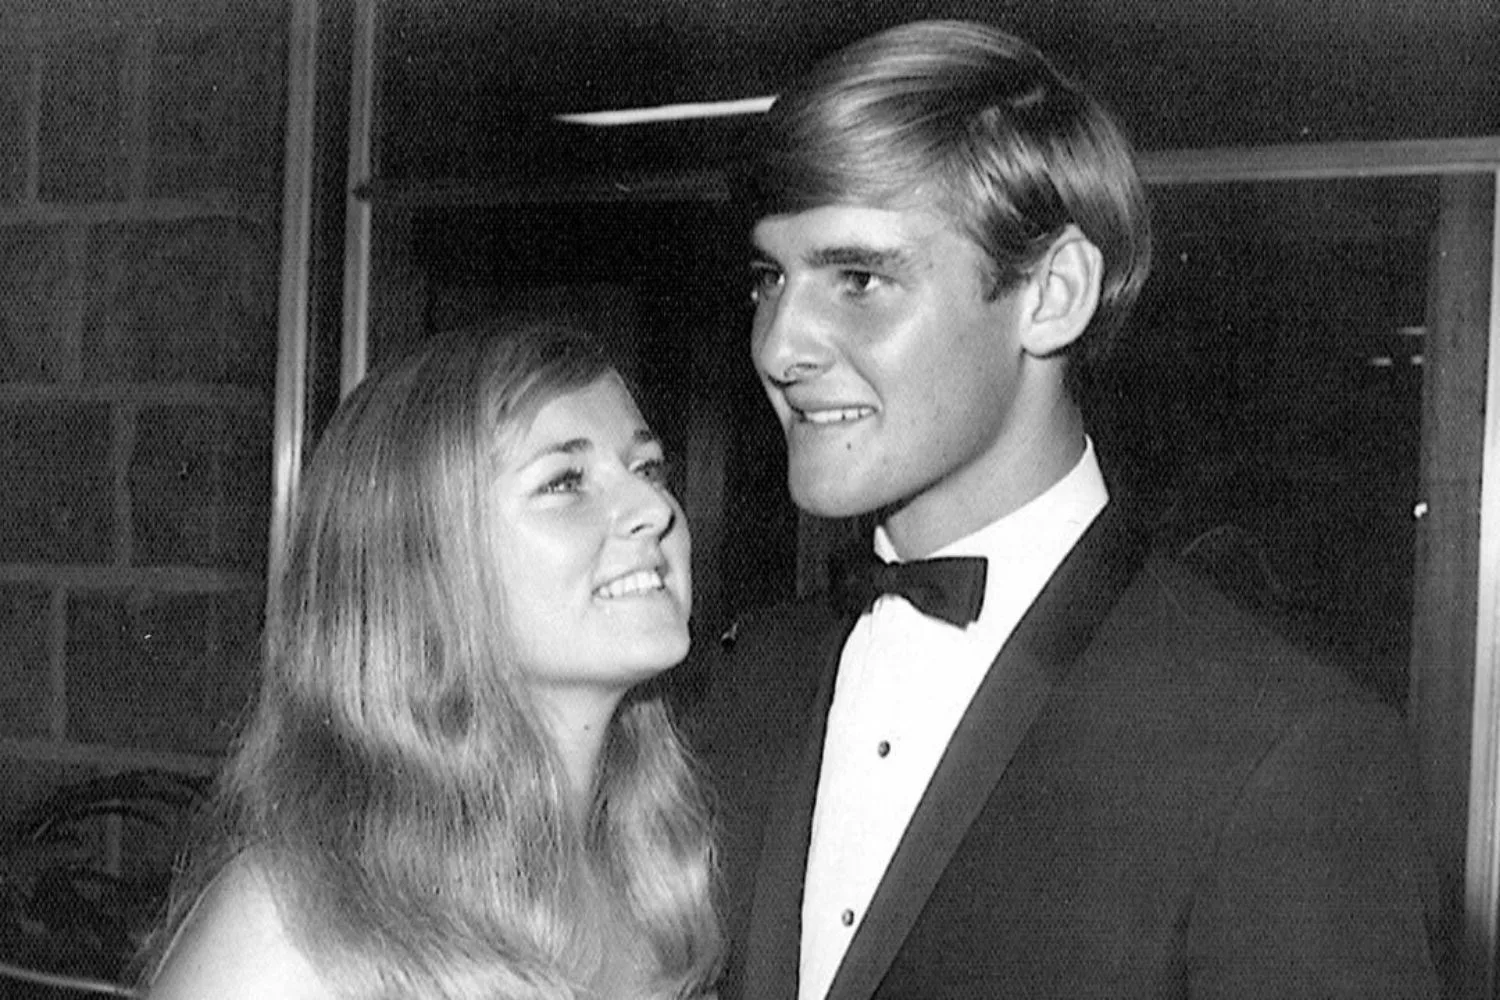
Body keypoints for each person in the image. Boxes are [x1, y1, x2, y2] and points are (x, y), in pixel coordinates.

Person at [699, 19, 1439, 1000]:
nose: (780, 345)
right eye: (770, 279)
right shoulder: (748, 682)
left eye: (861, 279)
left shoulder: (1281, 747)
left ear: (1053, 295)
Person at [137, 322, 721, 999]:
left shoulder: (659, 878)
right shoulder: (289, 930)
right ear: (422, 562)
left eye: (648, 469)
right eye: (565, 481)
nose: (653, 507)